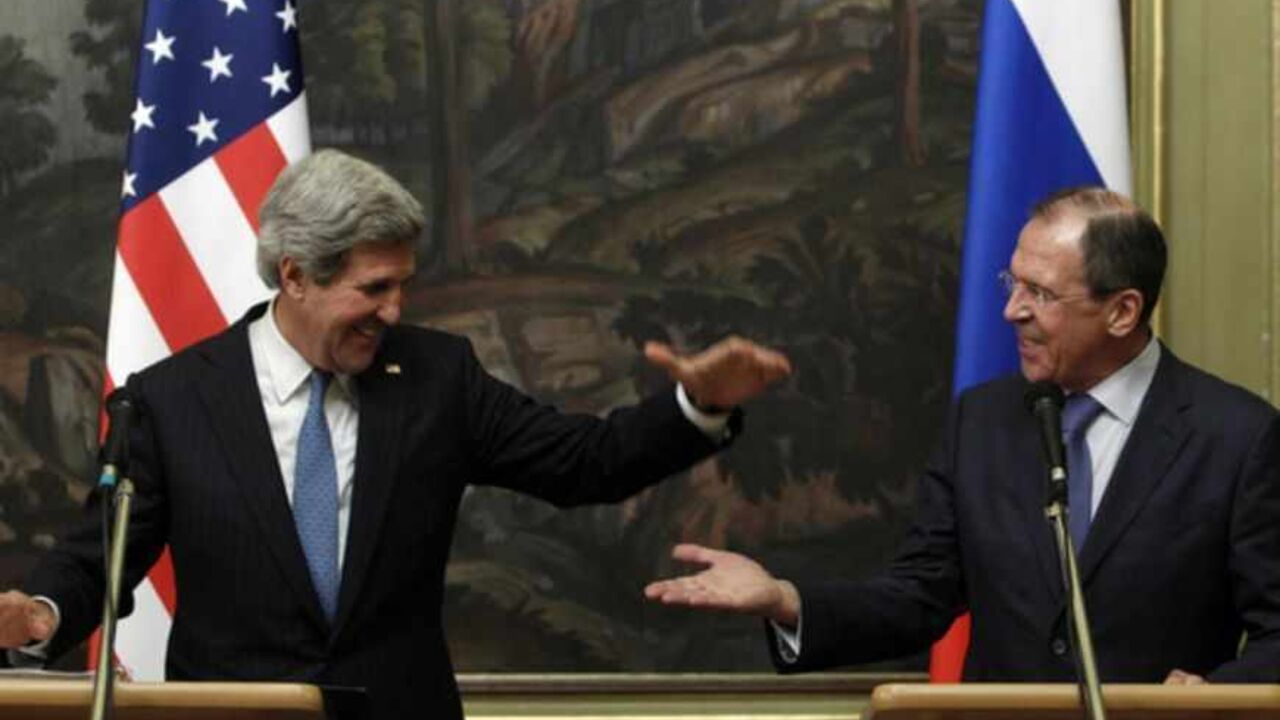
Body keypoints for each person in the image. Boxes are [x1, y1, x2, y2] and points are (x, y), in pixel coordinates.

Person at [0, 149, 791, 719]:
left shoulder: (438, 378)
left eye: (402, 287)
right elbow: (101, 554)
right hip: (236, 715)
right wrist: (43, 614)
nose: (393, 312)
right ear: (296, 276)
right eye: (373, 288)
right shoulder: (168, 401)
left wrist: (698, 406)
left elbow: (585, 464)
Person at [645, 187, 1280, 684]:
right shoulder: (984, 421)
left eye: (1040, 293)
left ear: (1122, 311)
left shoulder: (1237, 437)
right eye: (1013, 284)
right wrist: (783, 599)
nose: (1012, 311)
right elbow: (919, 596)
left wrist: (1212, 697)